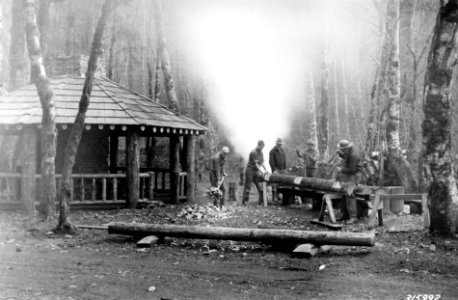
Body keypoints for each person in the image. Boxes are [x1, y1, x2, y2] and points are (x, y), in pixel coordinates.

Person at [335, 139, 362, 224]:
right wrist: (341, 155)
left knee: (350, 195)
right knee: (344, 194)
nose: (342, 151)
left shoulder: (353, 154)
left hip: (354, 176)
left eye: (343, 150)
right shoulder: (349, 151)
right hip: (349, 176)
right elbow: (348, 159)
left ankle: (353, 217)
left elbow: (352, 169)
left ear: (347, 148)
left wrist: (341, 170)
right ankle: (345, 215)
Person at [242, 140, 268, 205]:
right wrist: (261, 171)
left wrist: (266, 170)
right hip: (250, 170)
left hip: (256, 171)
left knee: (260, 185)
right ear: (258, 145)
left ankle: (261, 201)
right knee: (248, 186)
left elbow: (261, 163)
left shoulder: (261, 153)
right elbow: (256, 164)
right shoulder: (253, 152)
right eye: (261, 147)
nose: (262, 148)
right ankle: (245, 201)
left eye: (263, 147)